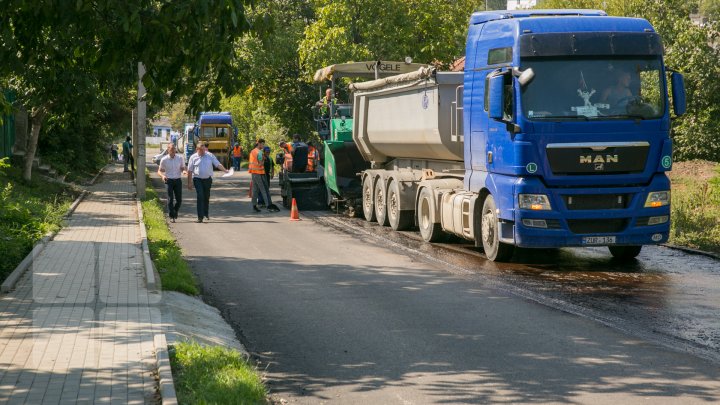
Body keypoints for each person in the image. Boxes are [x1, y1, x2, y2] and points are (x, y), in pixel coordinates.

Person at [187, 143, 229, 223]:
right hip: (197, 179)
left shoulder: (210, 155)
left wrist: (225, 170)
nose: (203, 151)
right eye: (201, 150)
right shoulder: (193, 157)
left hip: (207, 180)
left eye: (204, 149)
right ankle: (200, 217)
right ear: (197, 150)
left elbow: (217, 164)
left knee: (206, 197)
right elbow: (189, 170)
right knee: (200, 196)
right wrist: (189, 183)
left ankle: (205, 214)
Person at [158, 144, 186, 223]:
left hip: (177, 180)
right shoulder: (164, 159)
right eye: (171, 149)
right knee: (170, 199)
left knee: (179, 200)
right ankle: (171, 216)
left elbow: (182, 167)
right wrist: (162, 176)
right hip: (168, 180)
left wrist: (183, 171)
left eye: (174, 149)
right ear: (168, 150)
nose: (173, 151)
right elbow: (159, 171)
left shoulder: (180, 158)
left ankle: (175, 211)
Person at [249, 139, 279, 213]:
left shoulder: (253, 151)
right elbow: (260, 164)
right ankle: (268, 206)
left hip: (254, 173)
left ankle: (254, 206)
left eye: (263, 144)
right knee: (264, 190)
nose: (263, 146)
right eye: (262, 144)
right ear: (259, 144)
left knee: (255, 190)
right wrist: (263, 159)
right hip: (259, 173)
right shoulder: (259, 153)